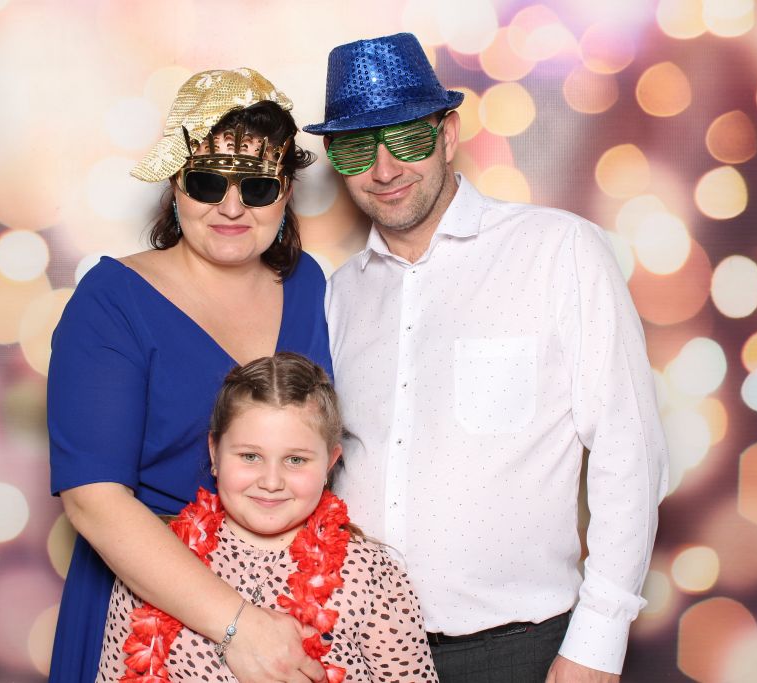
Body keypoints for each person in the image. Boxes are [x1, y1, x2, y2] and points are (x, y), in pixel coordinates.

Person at [305, 33, 669, 683]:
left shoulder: (558, 251)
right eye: (358, 147)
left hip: (517, 650)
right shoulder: (340, 295)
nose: (384, 169)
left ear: (447, 135)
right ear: (335, 160)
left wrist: (598, 640)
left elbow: (629, 448)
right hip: (357, 649)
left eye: (406, 139)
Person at [48, 68, 334, 683]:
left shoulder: (308, 283)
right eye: (208, 182)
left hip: (291, 600)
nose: (231, 207)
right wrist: (240, 625)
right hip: (149, 608)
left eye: (257, 187)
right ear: (176, 184)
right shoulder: (111, 300)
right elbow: (92, 500)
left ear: (285, 193)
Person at [94, 352, 440, 682]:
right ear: (214, 452)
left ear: (330, 463)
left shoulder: (372, 575)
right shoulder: (155, 562)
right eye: (250, 456)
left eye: (295, 460)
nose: (271, 482)